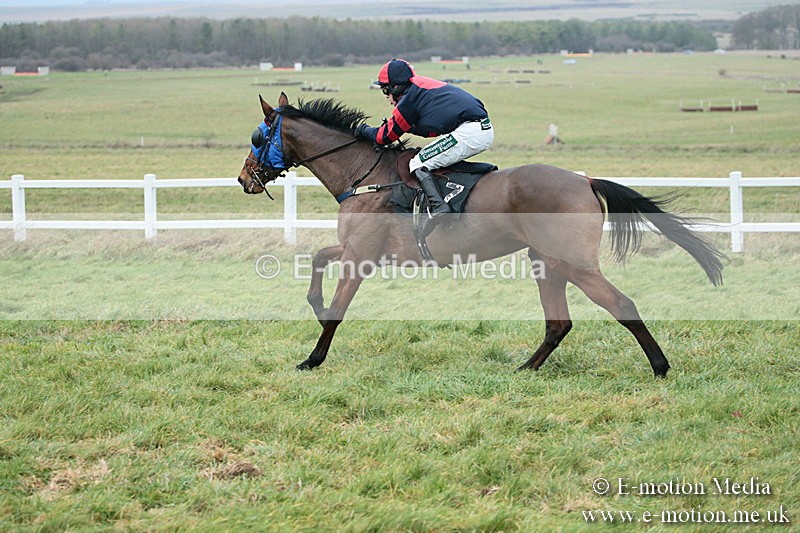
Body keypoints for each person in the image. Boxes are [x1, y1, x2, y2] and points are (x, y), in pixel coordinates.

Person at [356, 58, 494, 221]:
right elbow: (431, 130)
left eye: (386, 91)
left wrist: (362, 129)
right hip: (478, 129)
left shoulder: (409, 99)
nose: (387, 97)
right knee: (434, 159)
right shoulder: (419, 88)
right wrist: (407, 126)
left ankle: (439, 206)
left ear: (395, 87)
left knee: (417, 163)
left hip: (470, 132)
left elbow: (383, 137)